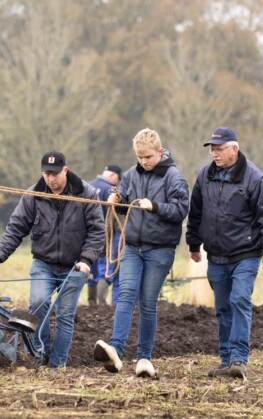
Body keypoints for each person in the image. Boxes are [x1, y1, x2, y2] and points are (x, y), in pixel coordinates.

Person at [0, 150, 105, 368]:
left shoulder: (86, 193)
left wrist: (86, 260)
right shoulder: (33, 195)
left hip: (75, 265)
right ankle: (40, 353)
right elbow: (16, 227)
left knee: (65, 315)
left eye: (55, 174)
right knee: (37, 304)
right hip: (44, 263)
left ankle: (57, 364)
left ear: (65, 171)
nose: (50, 179)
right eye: (46, 174)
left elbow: (97, 232)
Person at [185, 126, 263, 379]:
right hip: (216, 255)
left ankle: (239, 358)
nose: (214, 154)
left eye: (219, 149)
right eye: (212, 150)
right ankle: (226, 360)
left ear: (234, 149)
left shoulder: (255, 179)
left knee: (239, 300)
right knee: (222, 307)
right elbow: (195, 212)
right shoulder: (205, 175)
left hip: (246, 254)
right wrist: (193, 244)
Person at [93, 129, 189, 378]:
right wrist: (117, 198)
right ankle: (116, 350)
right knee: (125, 294)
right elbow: (125, 201)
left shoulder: (173, 177)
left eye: (147, 157)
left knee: (147, 302)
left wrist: (154, 206)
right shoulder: (130, 175)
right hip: (132, 246)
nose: (143, 161)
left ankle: (144, 358)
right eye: (139, 157)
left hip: (160, 249)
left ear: (159, 151)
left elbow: (180, 210)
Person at [86, 164, 122, 306]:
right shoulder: (111, 191)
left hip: (87, 235)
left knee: (90, 265)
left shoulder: (88, 186)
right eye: (118, 179)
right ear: (113, 175)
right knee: (104, 267)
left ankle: (91, 300)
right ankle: (102, 302)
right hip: (104, 235)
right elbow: (114, 216)